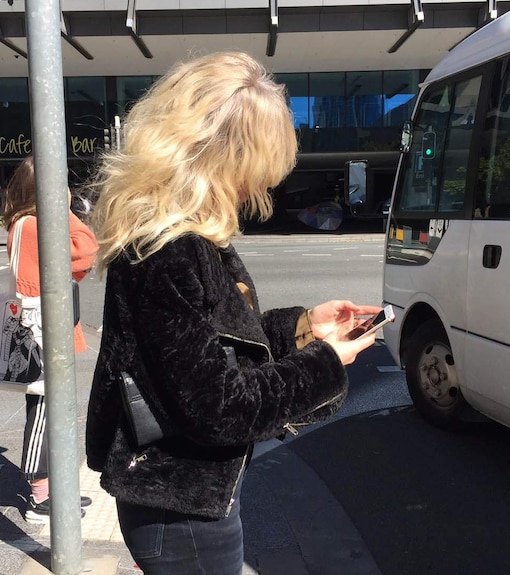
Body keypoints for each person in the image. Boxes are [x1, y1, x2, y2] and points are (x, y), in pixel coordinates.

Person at [84, 52, 381, 574]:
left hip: (183, 497)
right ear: (222, 159)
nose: (261, 186)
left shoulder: (178, 238)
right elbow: (219, 407)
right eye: (258, 168)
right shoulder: (171, 250)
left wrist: (304, 328)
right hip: (182, 507)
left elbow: (209, 352)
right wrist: (325, 363)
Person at [1, 156, 100, 524]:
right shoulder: (34, 226)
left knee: (48, 409)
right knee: (43, 411)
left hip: (38, 331)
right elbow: (86, 248)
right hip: (40, 335)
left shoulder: (25, 224)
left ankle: (51, 491)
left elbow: (75, 261)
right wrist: (67, 210)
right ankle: (40, 499)